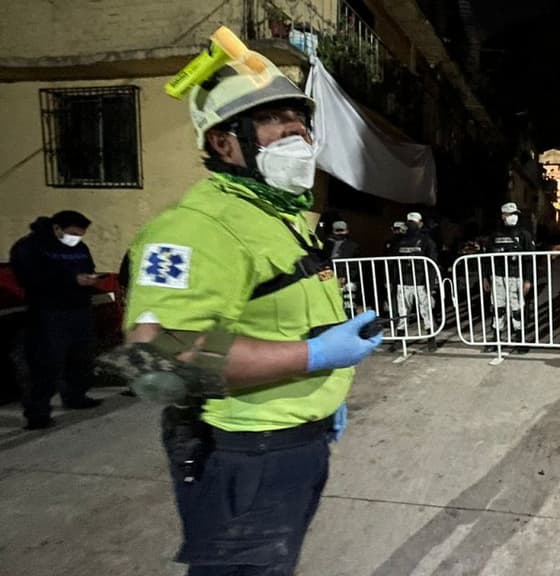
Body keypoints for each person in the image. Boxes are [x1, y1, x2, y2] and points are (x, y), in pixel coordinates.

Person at [103, 52, 382, 575]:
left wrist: (324, 395)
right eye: (272, 119)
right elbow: (159, 354)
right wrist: (316, 355)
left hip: (295, 440)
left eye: (299, 119)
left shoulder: (276, 216)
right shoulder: (199, 227)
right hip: (245, 453)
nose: (296, 130)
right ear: (223, 142)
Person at [10, 211, 103, 429]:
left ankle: (76, 396)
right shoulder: (30, 247)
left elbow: (87, 267)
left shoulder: (79, 248)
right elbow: (29, 278)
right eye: (73, 233)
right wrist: (71, 280)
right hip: (48, 312)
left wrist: (89, 279)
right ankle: (38, 412)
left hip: (79, 308)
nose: (76, 238)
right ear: (57, 228)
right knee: (45, 363)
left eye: (80, 235)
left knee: (80, 357)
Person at [483, 202, 536, 355]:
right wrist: (486, 277)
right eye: (509, 214)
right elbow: (486, 258)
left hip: (516, 276)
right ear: (503, 216)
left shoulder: (524, 234)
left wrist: (528, 280)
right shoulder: (495, 235)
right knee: (497, 309)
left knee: (517, 309)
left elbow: (530, 259)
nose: (512, 217)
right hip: (498, 276)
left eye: (514, 214)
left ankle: (520, 340)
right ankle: (496, 339)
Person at [390, 212, 439, 352]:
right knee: (402, 312)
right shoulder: (399, 241)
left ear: (420, 223)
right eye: (409, 222)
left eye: (414, 222)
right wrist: (393, 281)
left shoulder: (427, 241)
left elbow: (432, 263)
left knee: (426, 312)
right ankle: (400, 339)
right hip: (403, 282)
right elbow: (393, 262)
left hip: (421, 282)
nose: (411, 225)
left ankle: (431, 339)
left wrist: (430, 284)